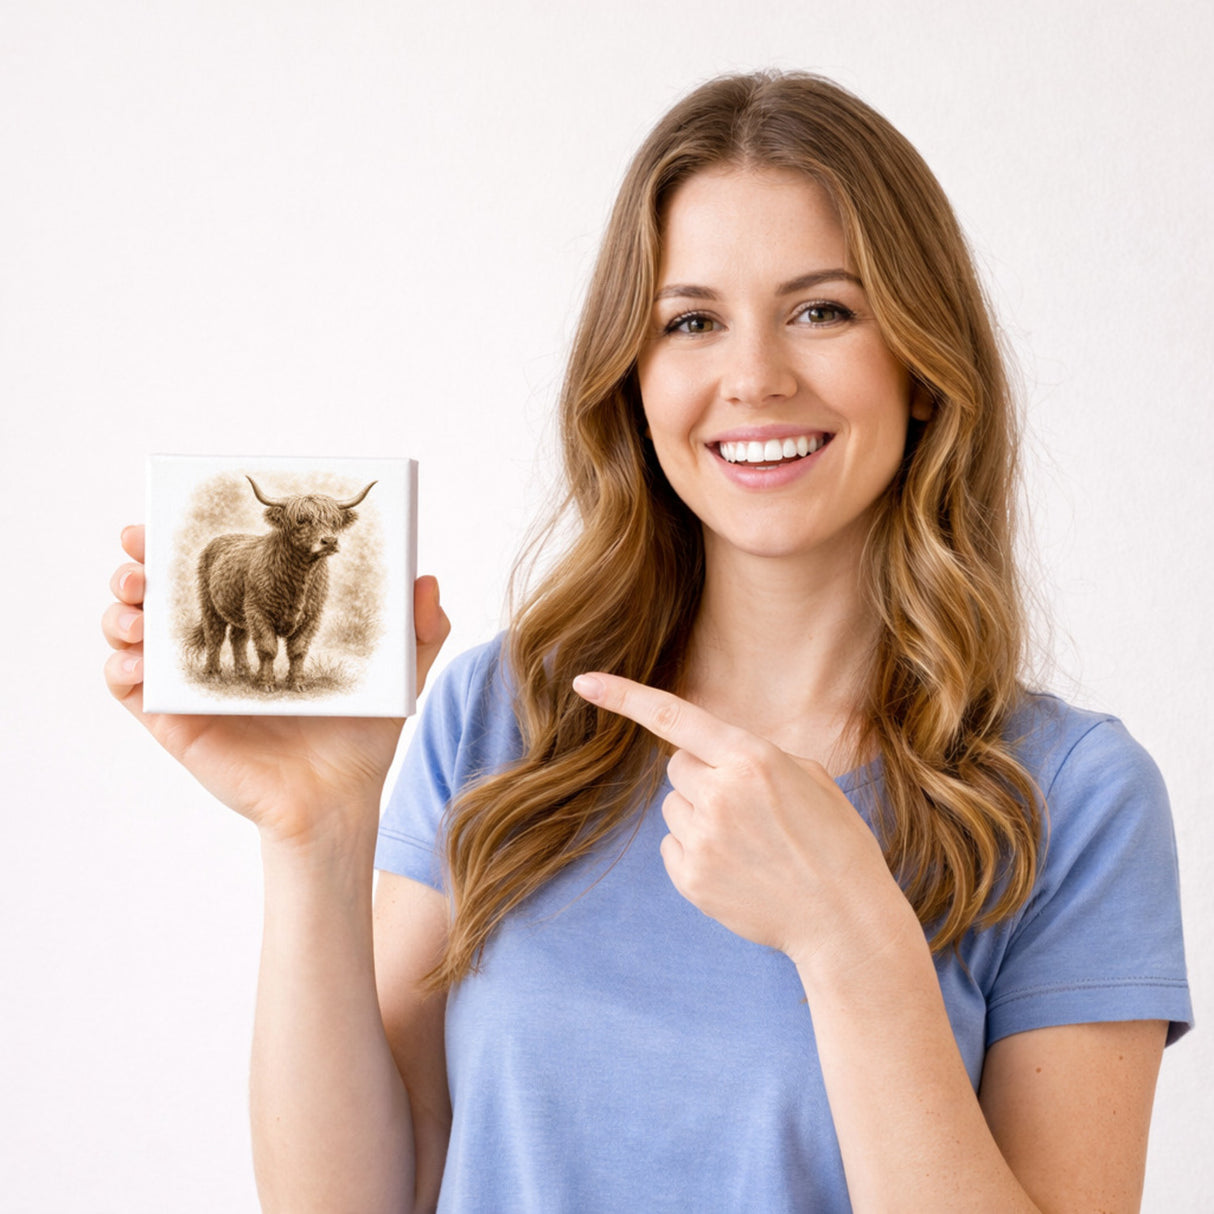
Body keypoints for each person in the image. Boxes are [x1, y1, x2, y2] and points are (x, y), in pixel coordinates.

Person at [103, 71, 1191, 1213]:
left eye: (822, 309)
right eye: (690, 321)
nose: (754, 376)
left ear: (921, 365)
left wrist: (849, 940)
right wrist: (318, 839)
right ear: (633, 376)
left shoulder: (1072, 797)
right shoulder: (498, 714)